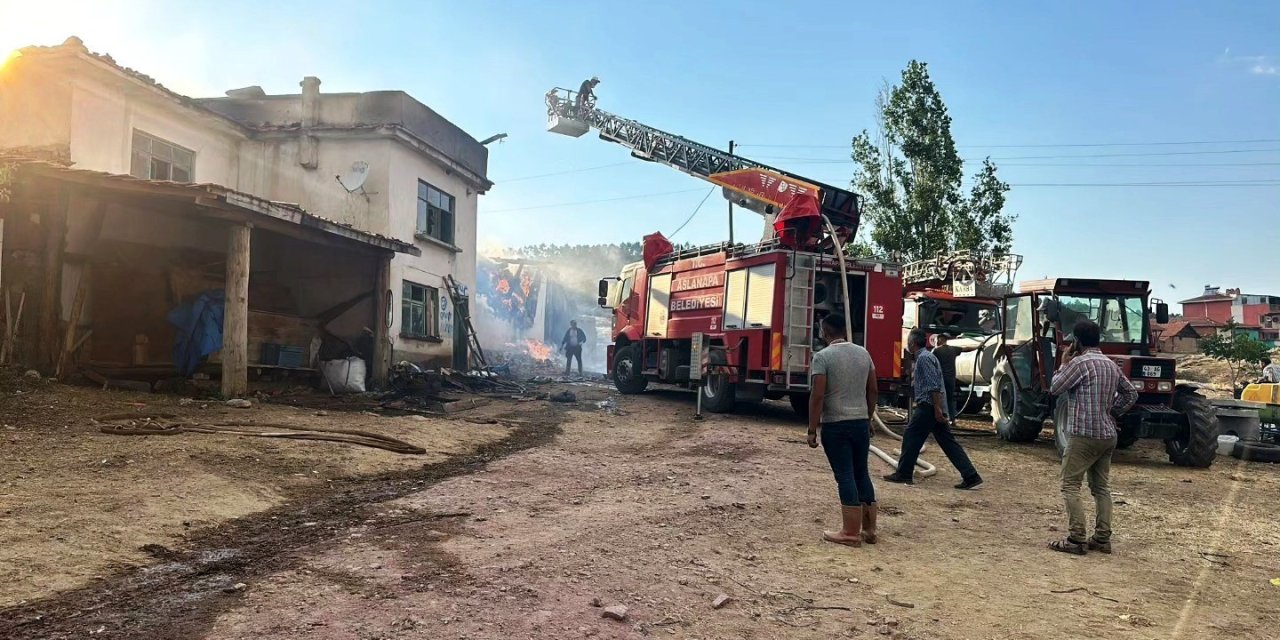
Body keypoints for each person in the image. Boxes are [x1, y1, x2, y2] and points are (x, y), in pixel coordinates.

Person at [1047, 319, 1138, 556]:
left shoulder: (1078, 363)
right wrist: (1113, 412)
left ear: (1076, 341)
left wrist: (1063, 363)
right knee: (1101, 488)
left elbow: (1055, 387)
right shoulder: (1110, 364)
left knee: (1070, 484)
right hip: (1107, 434)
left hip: (1083, 435)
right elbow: (1131, 393)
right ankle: (1102, 538)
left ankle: (1076, 539)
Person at [807, 314, 879, 547]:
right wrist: (868, 418)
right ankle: (869, 529)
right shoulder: (864, 353)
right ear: (844, 332)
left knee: (845, 476)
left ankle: (850, 532)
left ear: (825, 332)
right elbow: (873, 390)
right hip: (859, 422)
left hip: (835, 424)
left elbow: (818, 395)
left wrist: (811, 429)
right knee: (862, 473)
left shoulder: (822, 357)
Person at [884, 329, 984, 489]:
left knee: (911, 436)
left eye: (909, 341)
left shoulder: (924, 358)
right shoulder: (927, 357)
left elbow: (933, 385)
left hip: (929, 406)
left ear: (913, 343)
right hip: (933, 405)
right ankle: (971, 475)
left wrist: (937, 408)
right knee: (947, 442)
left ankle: (904, 473)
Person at [933, 332, 961, 423]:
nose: (936, 342)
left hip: (941, 379)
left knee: (940, 399)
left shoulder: (936, 351)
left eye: (936, 340)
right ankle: (952, 419)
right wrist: (980, 346)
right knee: (950, 398)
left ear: (941, 340)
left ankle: (943, 417)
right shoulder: (953, 349)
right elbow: (966, 349)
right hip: (951, 379)